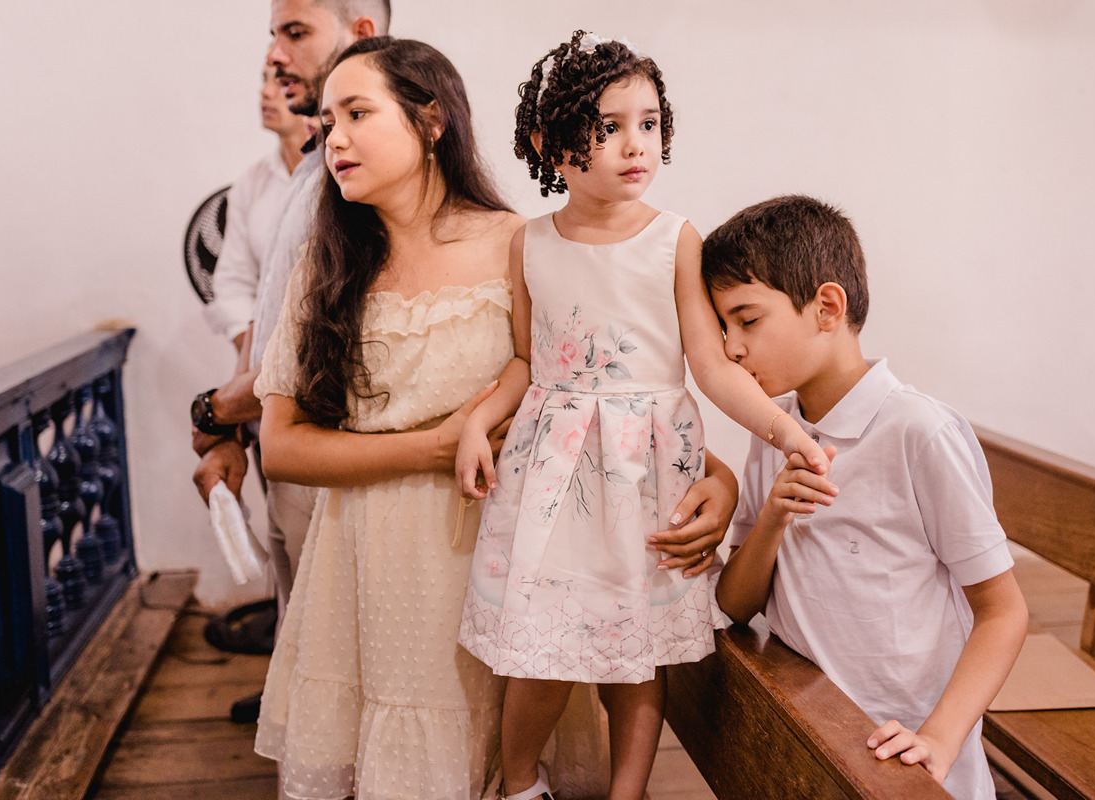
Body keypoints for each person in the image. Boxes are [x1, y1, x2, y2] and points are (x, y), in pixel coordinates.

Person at [252, 36, 737, 800]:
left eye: (355, 112)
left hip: (509, 557)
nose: (332, 137)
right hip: (367, 569)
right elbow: (279, 449)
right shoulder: (326, 263)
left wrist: (721, 478)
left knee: (495, 755)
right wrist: (437, 445)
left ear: (431, 121)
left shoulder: (522, 242)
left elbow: (597, 389)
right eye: (325, 117)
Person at [454, 31, 830, 800]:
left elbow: (709, 363)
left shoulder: (674, 240)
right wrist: (474, 421)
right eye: (609, 125)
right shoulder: (531, 243)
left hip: (643, 467)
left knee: (636, 651)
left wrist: (785, 431)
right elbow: (529, 359)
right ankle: (520, 783)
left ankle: (629, 793)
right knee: (542, 649)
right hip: (555, 470)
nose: (637, 144)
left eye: (650, 123)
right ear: (549, 145)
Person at [706, 195, 1028, 800]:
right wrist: (774, 516)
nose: (730, 349)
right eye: (723, 327)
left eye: (747, 321)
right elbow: (734, 603)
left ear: (826, 307)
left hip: (910, 761)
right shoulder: (772, 428)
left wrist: (938, 738)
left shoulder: (917, 430)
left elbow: (1003, 612)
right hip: (807, 733)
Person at [190, 0, 390, 725]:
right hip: (285, 446)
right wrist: (236, 429)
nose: (275, 55)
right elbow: (269, 321)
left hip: (335, 455)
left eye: (295, 32)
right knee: (310, 666)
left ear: (361, 34)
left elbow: (320, 348)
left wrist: (215, 412)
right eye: (273, 33)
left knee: (346, 682)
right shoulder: (313, 172)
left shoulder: (363, 177)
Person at [204, 65, 309, 354]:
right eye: (264, 80)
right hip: (261, 353)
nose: (265, 91)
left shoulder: (341, 176)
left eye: (281, 81)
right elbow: (233, 283)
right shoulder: (251, 182)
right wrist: (258, 361)